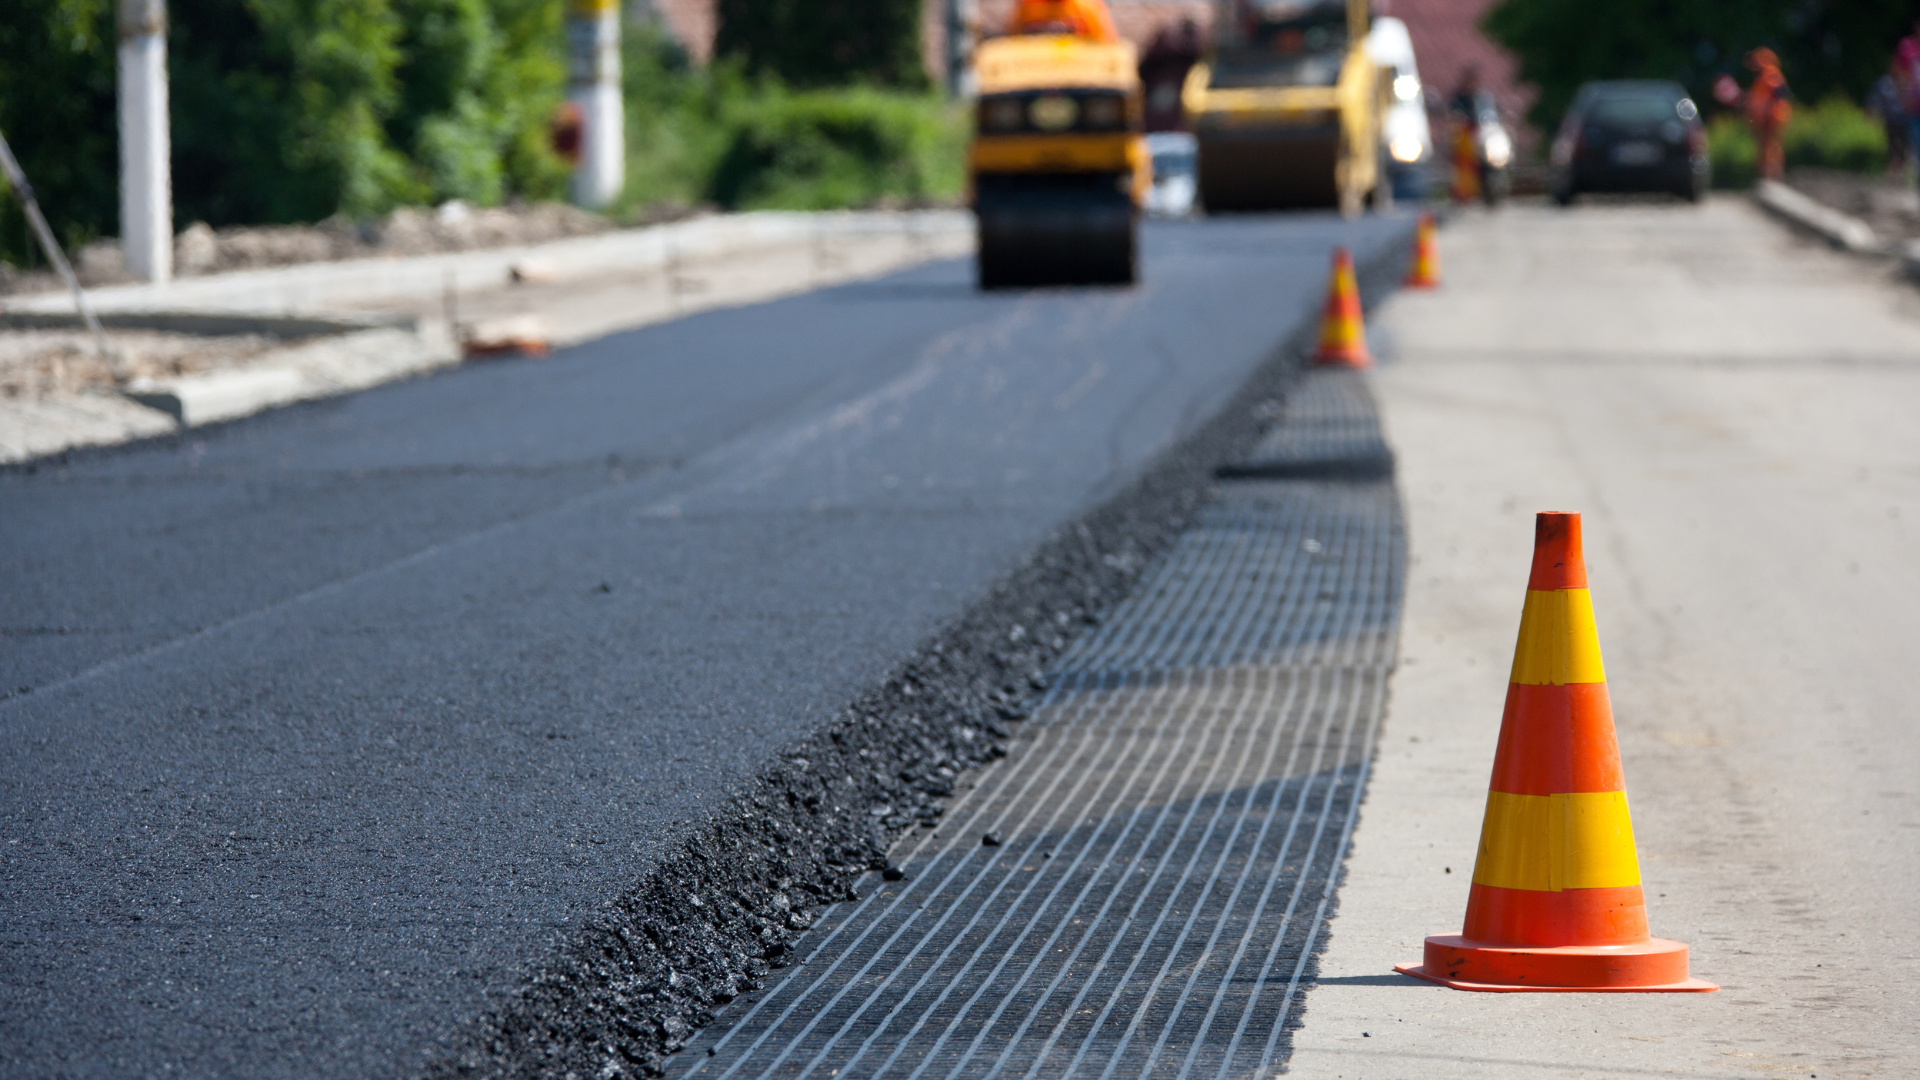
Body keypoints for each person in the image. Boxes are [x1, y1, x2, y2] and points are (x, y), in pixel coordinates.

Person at [1744, 47, 1791, 181]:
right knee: (1766, 147)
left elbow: (1780, 94)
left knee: (1770, 147)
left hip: (1771, 118)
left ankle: (1772, 176)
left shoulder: (1770, 74)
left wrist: (1766, 109)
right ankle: (1768, 176)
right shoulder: (1763, 77)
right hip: (1765, 119)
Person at [1894, 18, 1920, 189]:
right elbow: (1898, 75)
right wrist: (1903, 99)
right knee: (1916, 144)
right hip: (1914, 107)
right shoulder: (1907, 47)